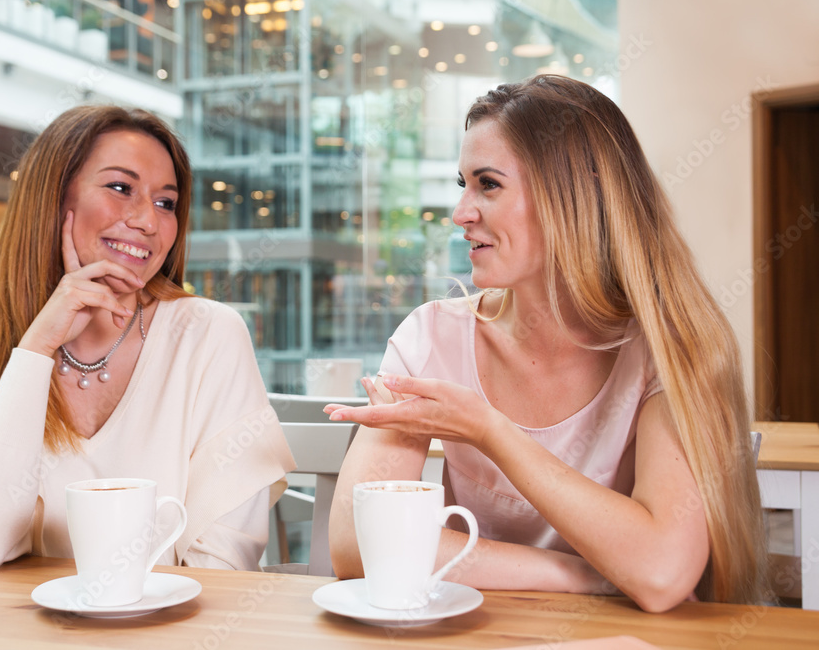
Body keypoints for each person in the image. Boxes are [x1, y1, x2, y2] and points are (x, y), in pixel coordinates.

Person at [326, 75, 767, 611]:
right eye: (461, 184)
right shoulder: (432, 336)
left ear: (572, 196)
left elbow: (661, 571)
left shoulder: (670, 349)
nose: (461, 213)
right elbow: (360, 546)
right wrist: (588, 576)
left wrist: (489, 430)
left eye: (488, 184)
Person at [0, 105, 294, 570]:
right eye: (121, 188)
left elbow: (222, 566)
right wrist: (36, 349)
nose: (149, 223)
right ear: (53, 200)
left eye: (166, 202)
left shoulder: (208, 336)